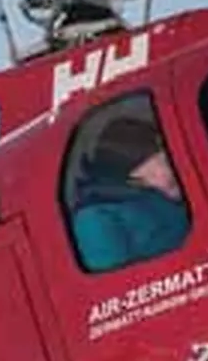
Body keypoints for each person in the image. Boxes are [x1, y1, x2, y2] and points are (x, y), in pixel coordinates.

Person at [68, 112, 191, 271]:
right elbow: (117, 280)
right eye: (163, 161)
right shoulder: (97, 218)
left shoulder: (166, 196)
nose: (174, 167)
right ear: (134, 173)